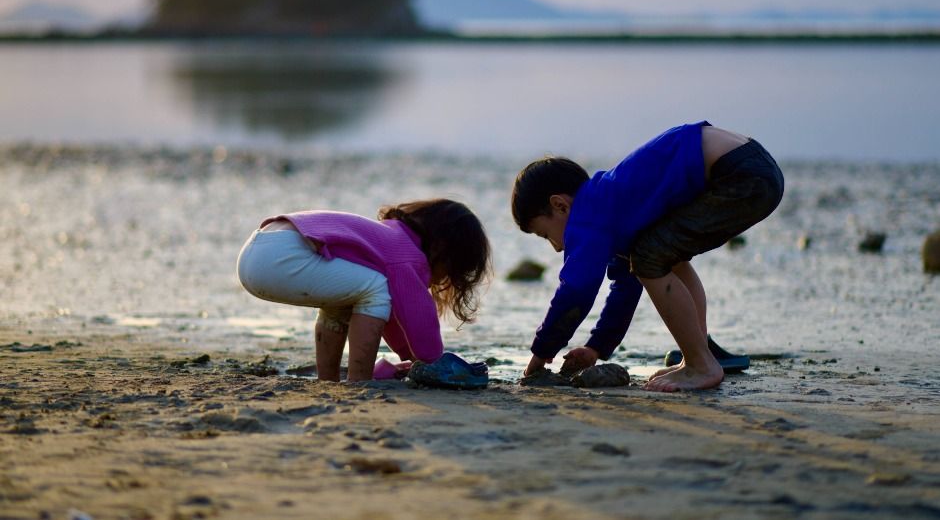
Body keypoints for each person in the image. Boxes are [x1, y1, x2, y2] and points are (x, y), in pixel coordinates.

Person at [511, 121, 784, 392]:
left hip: (739, 174)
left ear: (560, 206)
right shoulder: (612, 210)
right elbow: (627, 286)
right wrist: (597, 347)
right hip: (752, 163)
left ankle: (702, 363)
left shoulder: (589, 217)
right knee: (662, 255)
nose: (557, 248)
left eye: (545, 235)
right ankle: (702, 353)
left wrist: (542, 352)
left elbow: (576, 290)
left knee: (651, 256)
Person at [236, 199, 491, 382]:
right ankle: (359, 380)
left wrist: (410, 358)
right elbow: (416, 314)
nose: (443, 279)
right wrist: (431, 358)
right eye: (449, 272)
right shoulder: (407, 255)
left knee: (348, 298)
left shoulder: (390, 238)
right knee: (375, 287)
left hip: (257, 247)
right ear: (442, 250)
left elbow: (392, 317)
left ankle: (328, 380)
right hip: (281, 254)